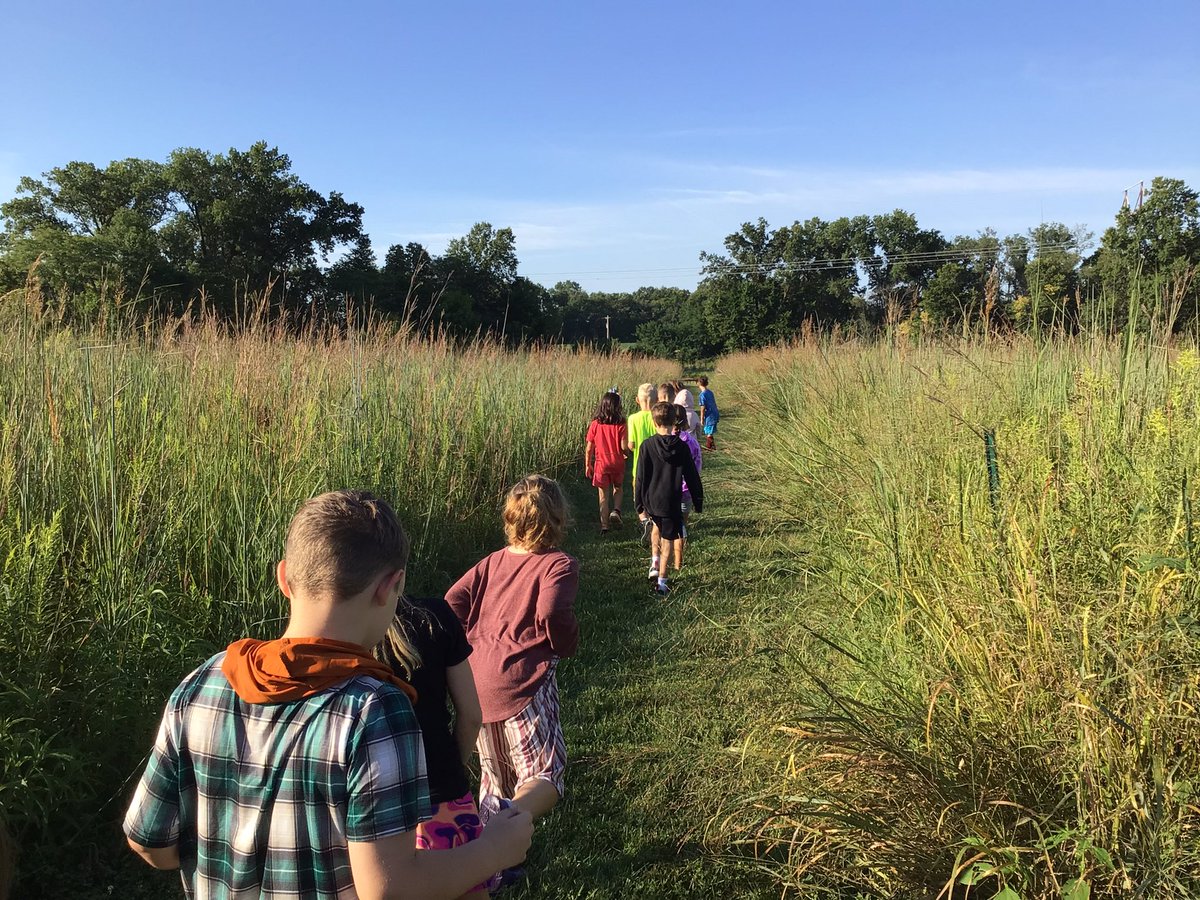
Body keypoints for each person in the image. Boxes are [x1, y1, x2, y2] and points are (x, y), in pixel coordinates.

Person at [123, 489, 532, 899]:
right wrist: (495, 848)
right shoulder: (375, 709)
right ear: (392, 586)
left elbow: (149, 843)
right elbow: (391, 889)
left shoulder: (201, 684)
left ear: (285, 578)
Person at [446, 475, 579, 825]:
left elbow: (452, 601)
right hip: (522, 680)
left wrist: (465, 642)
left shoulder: (491, 562)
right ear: (557, 518)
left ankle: (491, 856)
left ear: (511, 519)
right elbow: (551, 611)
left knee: (495, 777)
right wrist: (563, 642)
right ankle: (509, 822)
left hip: (476, 682)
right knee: (542, 774)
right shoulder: (557, 564)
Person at [377, 595, 487, 897]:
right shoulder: (435, 614)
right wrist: (453, 764)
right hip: (444, 796)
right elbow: (472, 716)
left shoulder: (337, 640)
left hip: (375, 818)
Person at [635, 401, 704, 596]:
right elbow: (691, 475)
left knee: (657, 529)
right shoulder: (682, 447)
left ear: (653, 421)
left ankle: (654, 564)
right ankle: (662, 584)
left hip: (652, 501)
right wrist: (697, 500)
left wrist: (639, 504)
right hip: (672, 500)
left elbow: (641, 476)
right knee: (667, 542)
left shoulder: (647, 445)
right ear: (674, 420)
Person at [584, 390, 628, 533]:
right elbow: (623, 447)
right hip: (617, 462)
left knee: (603, 494)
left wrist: (587, 464)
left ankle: (604, 526)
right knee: (618, 488)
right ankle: (616, 510)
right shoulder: (621, 424)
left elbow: (589, 447)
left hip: (601, 464)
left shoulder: (595, 424)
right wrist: (626, 453)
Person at [627, 383, 659, 543]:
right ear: (657, 400)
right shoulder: (657, 418)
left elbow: (631, 445)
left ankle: (644, 520)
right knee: (654, 496)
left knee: (639, 498)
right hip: (657, 467)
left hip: (638, 468)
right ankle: (655, 522)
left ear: (637, 400)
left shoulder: (632, 419)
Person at [673, 403, 703, 543]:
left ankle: (675, 543)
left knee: (671, 520)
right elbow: (697, 465)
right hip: (687, 489)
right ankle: (681, 539)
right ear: (685, 421)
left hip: (669, 488)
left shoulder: (664, 441)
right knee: (682, 520)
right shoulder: (692, 442)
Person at [698, 375, 719, 450]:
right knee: (709, 431)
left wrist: (701, 419)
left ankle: (709, 447)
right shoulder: (710, 392)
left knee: (709, 431)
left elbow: (702, 408)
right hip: (714, 413)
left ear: (699, 383)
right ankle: (712, 446)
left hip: (709, 415)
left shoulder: (702, 395)